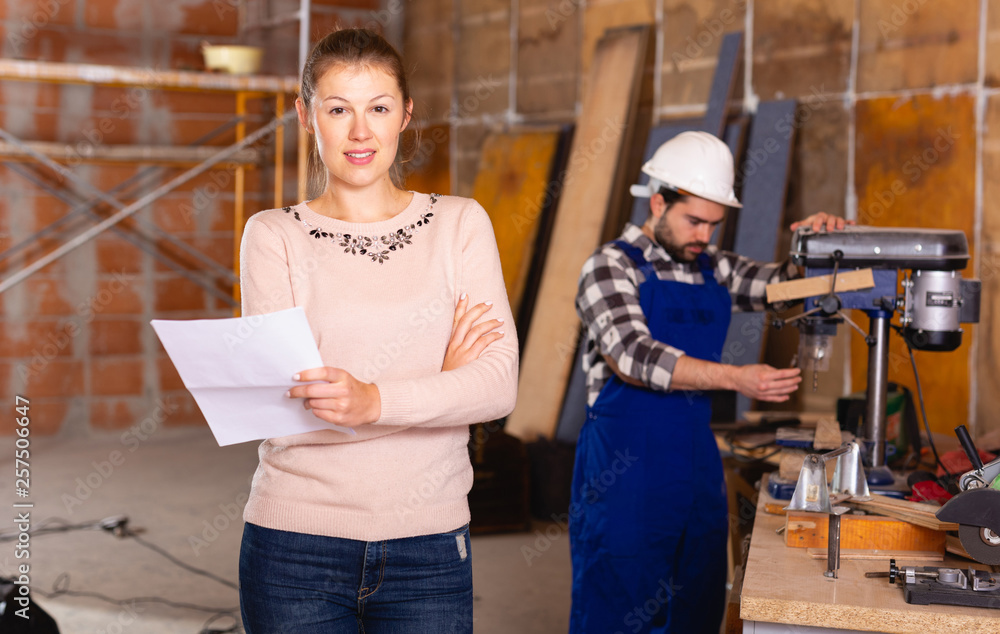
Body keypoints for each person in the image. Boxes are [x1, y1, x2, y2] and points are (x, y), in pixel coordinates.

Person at [236, 28, 518, 633]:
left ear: (405, 114)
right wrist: (441, 387)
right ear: (306, 115)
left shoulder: (460, 225)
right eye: (338, 109)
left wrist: (369, 400)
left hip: (431, 546)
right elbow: (277, 413)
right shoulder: (271, 236)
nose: (360, 132)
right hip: (294, 546)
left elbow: (496, 389)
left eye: (379, 108)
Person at [569, 131, 849, 633]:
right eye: (693, 221)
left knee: (697, 593)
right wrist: (737, 378)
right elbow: (632, 356)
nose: (705, 236)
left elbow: (782, 288)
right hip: (624, 466)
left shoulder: (712, 267)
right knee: (620, 597)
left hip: (695, 461)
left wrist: (815, 245)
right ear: (658, 202)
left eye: (714, 225)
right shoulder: (609, 266)